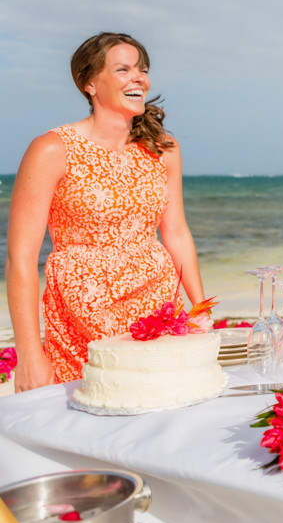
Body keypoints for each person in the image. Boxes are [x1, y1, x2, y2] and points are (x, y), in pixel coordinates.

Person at [5, 32, 205, 390]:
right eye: (123, 69)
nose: (138, 78)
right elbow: (21, 258)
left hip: (157, 308)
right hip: (82, 315)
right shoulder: (52, 149)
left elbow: (175, 232)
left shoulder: (164, 148)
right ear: (89, 84)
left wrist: (200, 306)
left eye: (142, 69)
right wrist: (30, 353)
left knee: (163, 409)